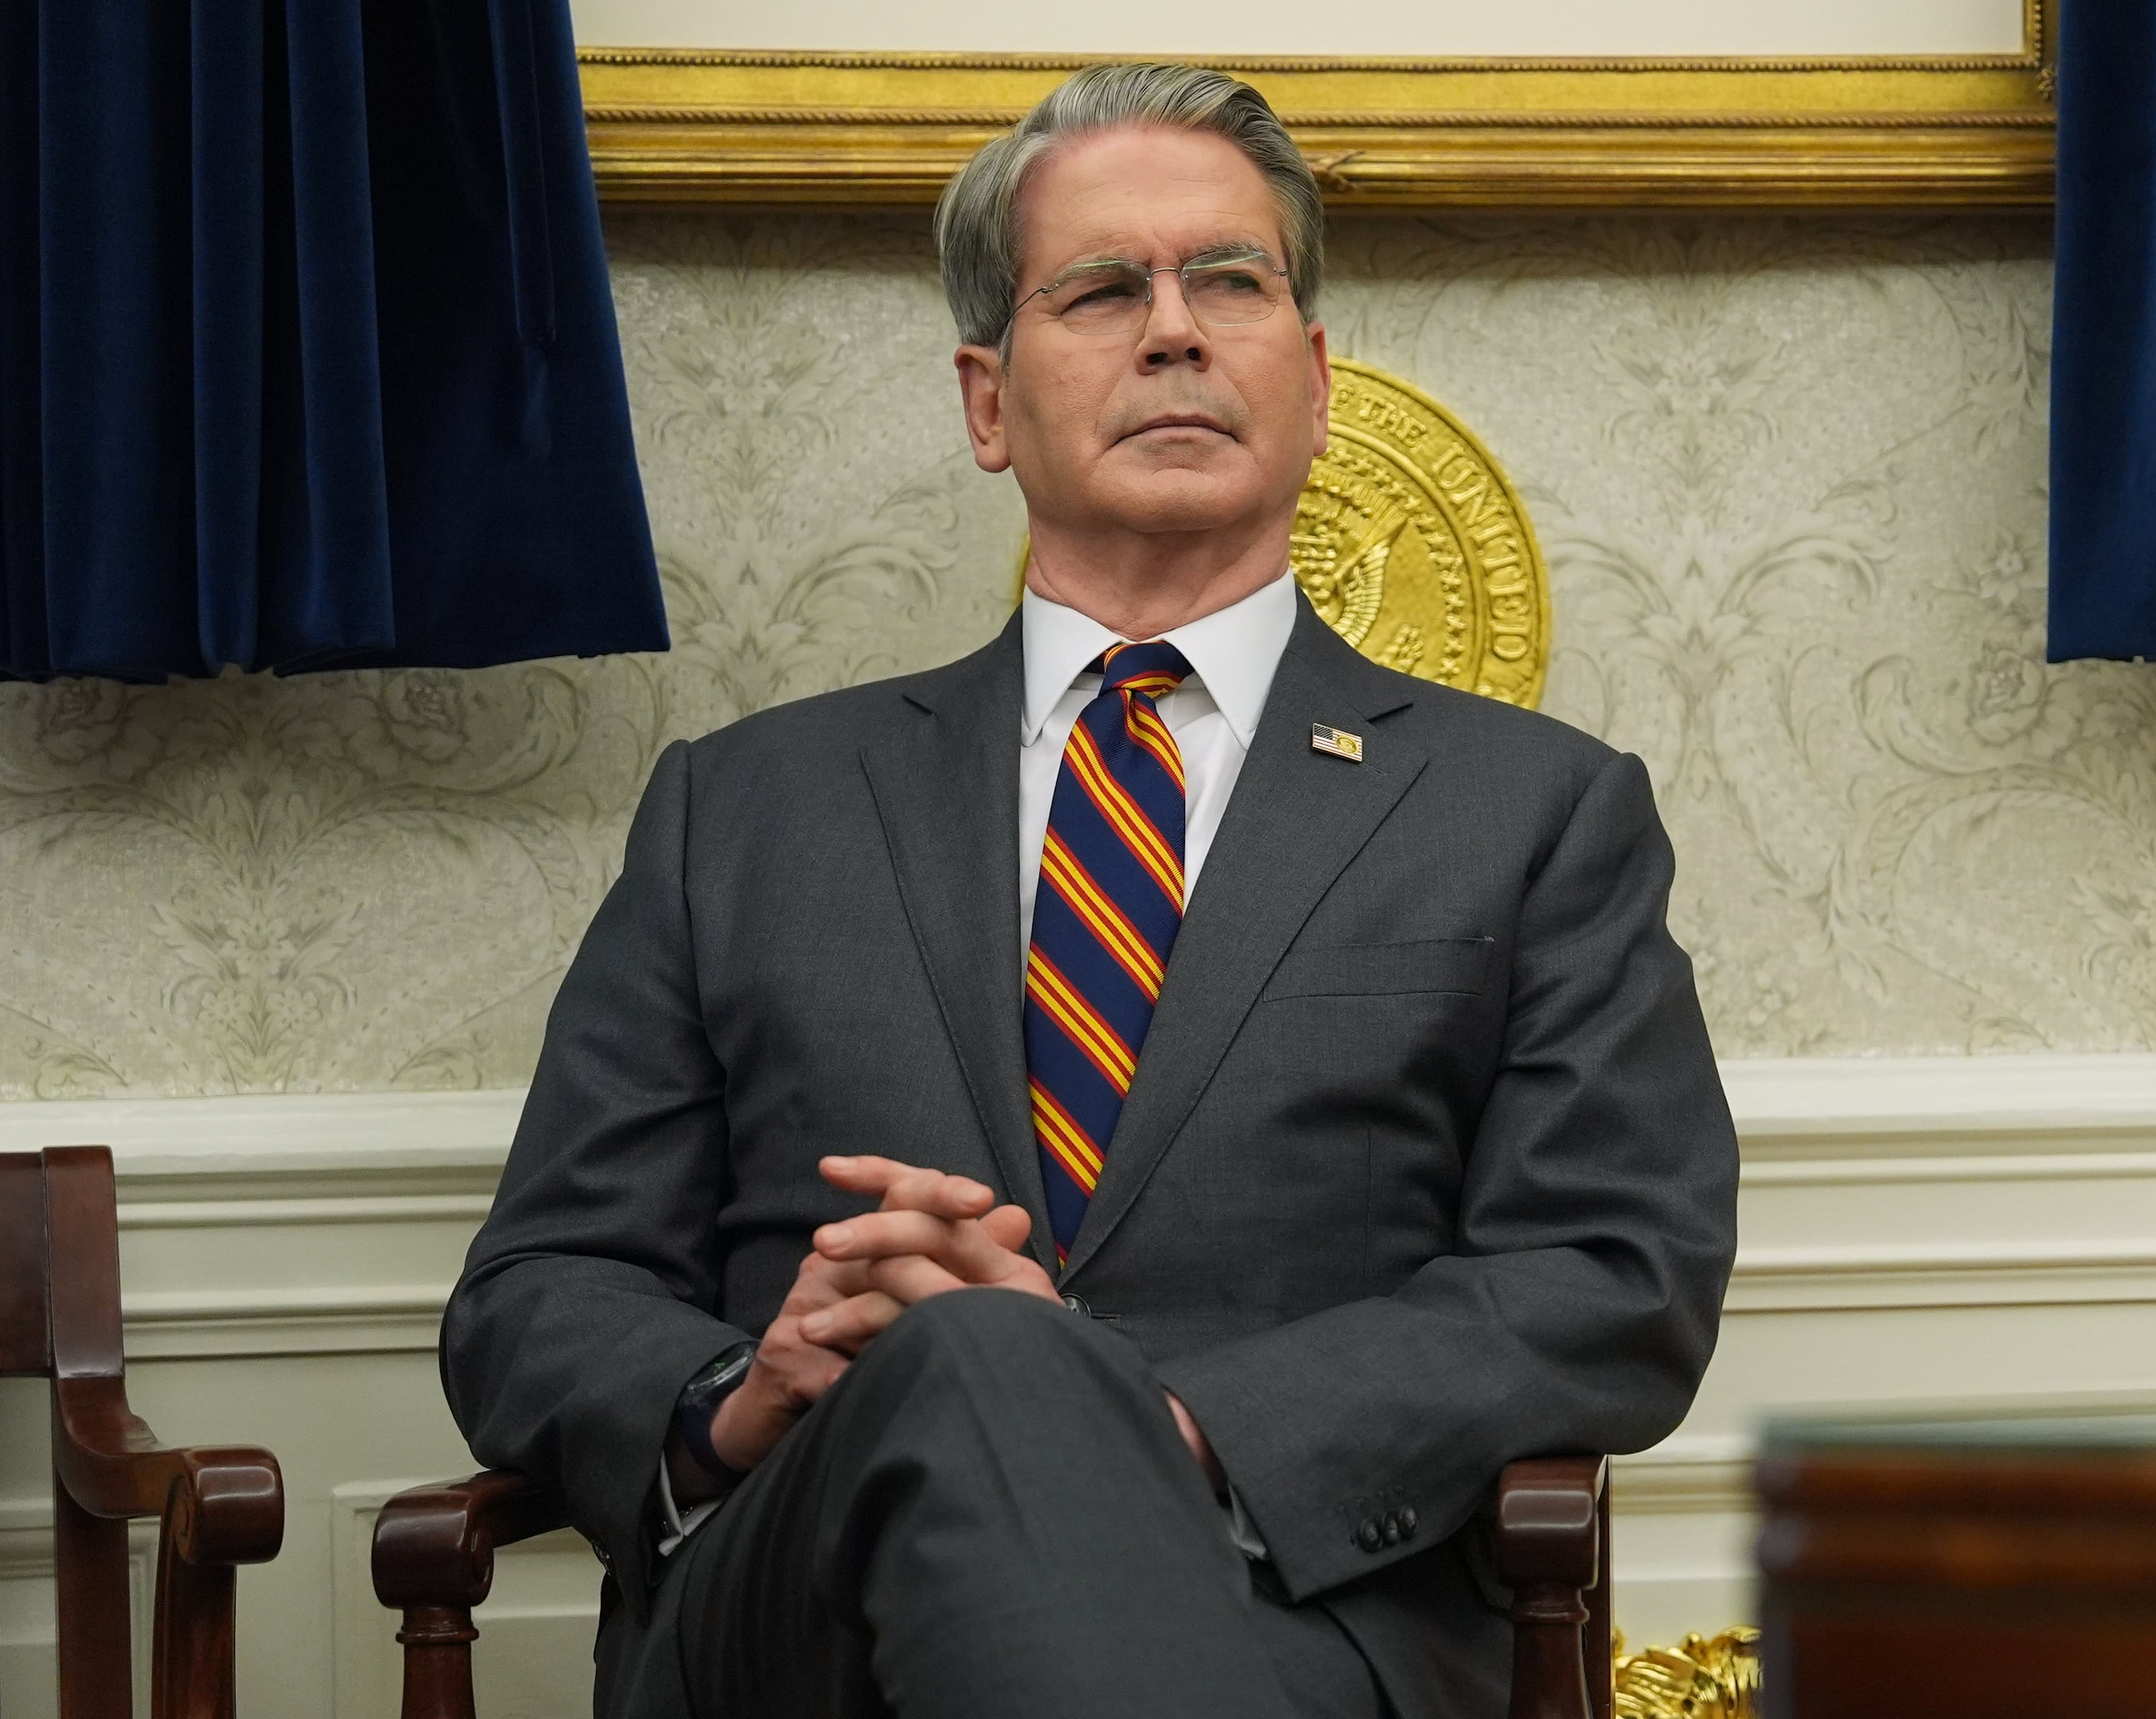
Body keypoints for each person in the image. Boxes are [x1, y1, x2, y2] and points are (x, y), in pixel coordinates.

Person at [439, 62, 1739, 1719]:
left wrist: (1150, 1424)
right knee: (969, 1358)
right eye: (1105, 289)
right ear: (988, 404)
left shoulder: (1535, 810)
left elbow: (1612, 1272)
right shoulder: (743, 807)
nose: (1175, 331)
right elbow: (536, 1291)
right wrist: (735, 1394)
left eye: (1232, 282)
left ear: (1314, 382)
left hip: (1299, 1613)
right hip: (804, 1615)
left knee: (998, 1359)